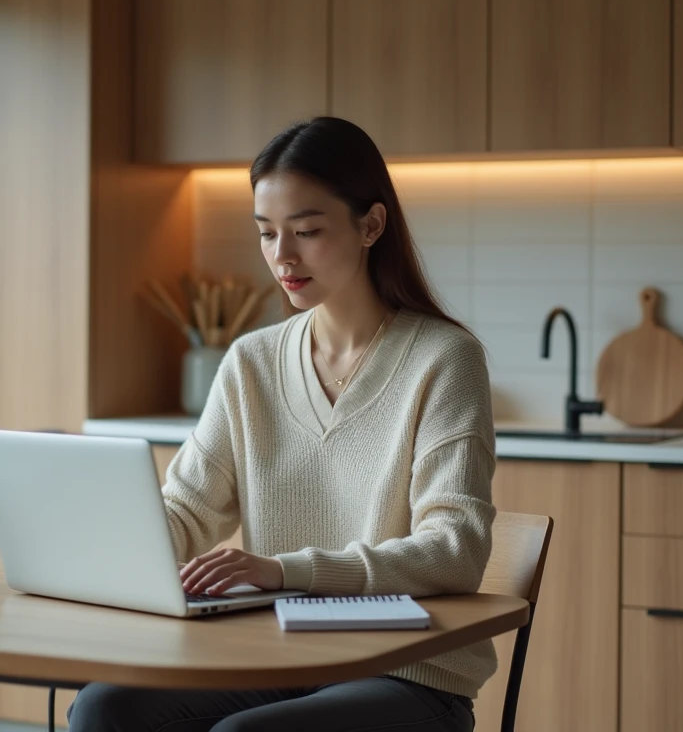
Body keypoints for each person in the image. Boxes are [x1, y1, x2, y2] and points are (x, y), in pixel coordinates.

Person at [69, 116, 497, 732]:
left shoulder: (444, 359)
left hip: (410, 679)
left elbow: (454, 551)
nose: (282, 257)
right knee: (102, 706)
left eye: (307, 231)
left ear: (371, 224)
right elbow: (188, 511)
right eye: (267, 234)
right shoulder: (252, 361)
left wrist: (283, 570)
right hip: (275, 661)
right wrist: (102, 551)